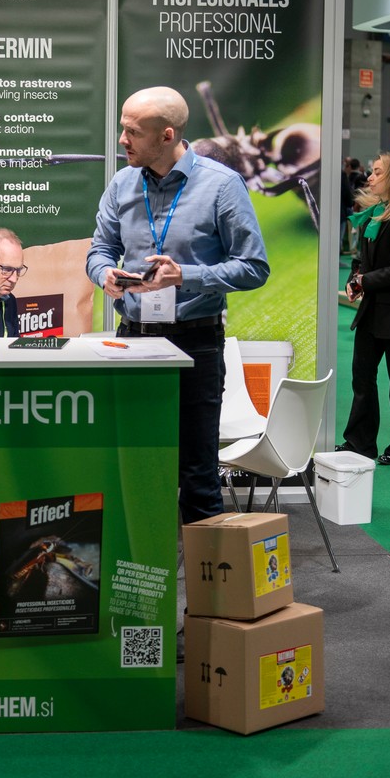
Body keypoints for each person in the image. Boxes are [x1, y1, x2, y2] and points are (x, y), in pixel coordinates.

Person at [86, 86, 270, 524]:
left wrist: (184, 275)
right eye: (123, 129)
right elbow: (100, 249)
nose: (122, 140)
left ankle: (209, 570)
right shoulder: (122, 183)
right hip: (133, 342)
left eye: (133, 131)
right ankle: (136, 565)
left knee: (198, 475)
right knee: (133, 467)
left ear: (167, 135)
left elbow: (254, 267)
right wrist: (104, 273)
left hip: (196, 345)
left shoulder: (222, 185)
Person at [339, 152, 390, 465]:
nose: (370, 177)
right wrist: (355, 280)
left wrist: (366, 280)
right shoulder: (375, 214)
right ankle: (359, 443)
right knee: (362, 377)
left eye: (378, 172)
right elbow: (361, 261)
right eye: (372, 171)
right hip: (373, 311)